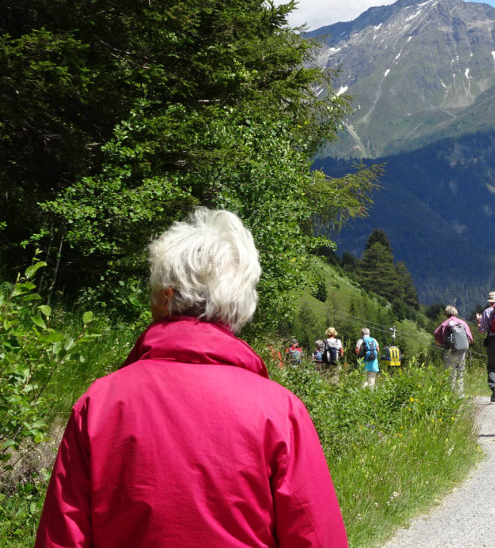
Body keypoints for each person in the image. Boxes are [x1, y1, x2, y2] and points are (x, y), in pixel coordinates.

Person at [34, 207, 348, 547]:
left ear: (165, 296)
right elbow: (317, 537)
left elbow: (62, 538)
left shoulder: (98, 404)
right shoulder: (279, 411)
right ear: (241, 303)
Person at [433, 305, 474, 396]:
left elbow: (436, 335)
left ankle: (450, 395)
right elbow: (471, 339)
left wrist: (441, 343)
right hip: (462, 352)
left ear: (446, 314)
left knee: (450, 374)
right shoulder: (463, 323)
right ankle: (460, 395)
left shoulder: (444, 324)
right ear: (456, 313)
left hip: (449, 351)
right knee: (460, 373)